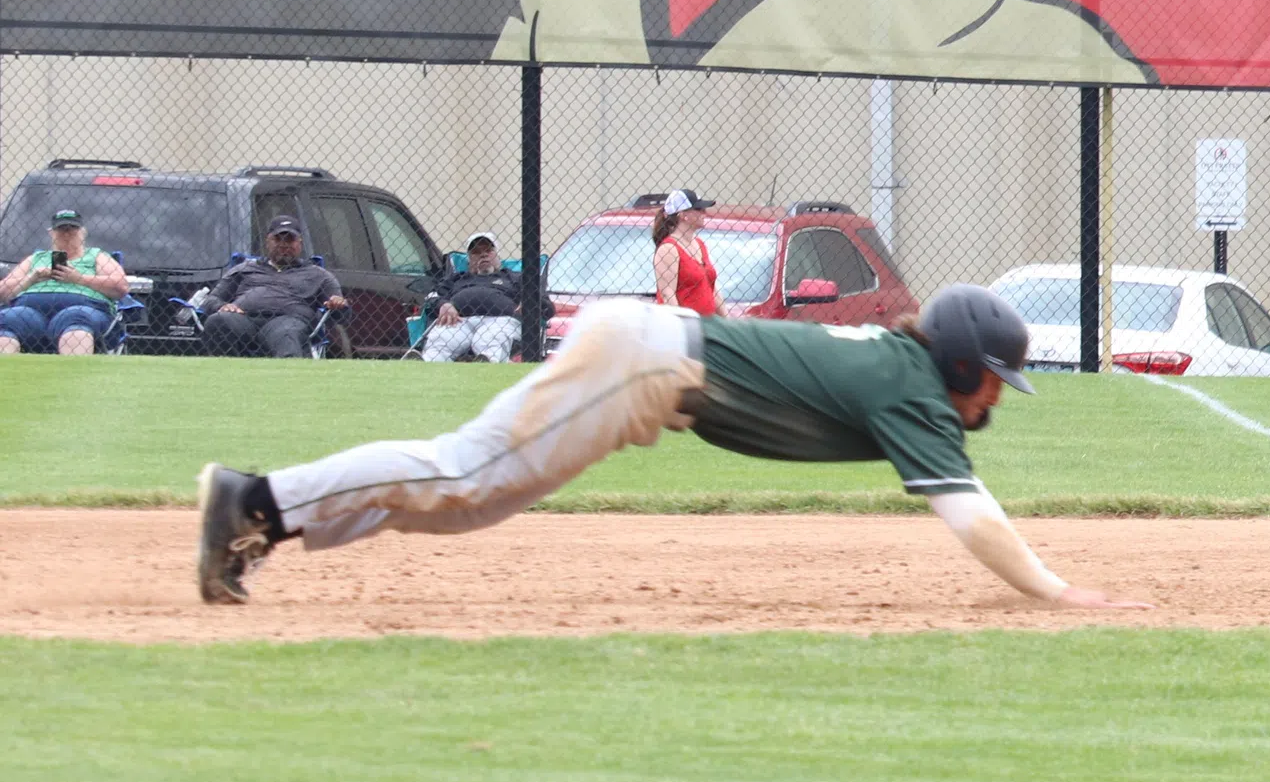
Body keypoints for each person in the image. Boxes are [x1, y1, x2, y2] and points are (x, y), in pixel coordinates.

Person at [196, 285, 1149, 611]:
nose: (996, 397)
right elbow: (969, 514)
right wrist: (1058, 591)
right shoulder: (914, 387)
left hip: (650, 358)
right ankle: (254, 502)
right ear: (956, 362)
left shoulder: (902, 370)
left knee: (473, 495)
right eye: (992, 376)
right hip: (648, 363)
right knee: (465, 474)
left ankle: (263, 521)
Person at [200, 217, 347, 358]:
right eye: (278, 239)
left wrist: (337, 305)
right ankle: (227, 375)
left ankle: (288, 380)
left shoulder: (319, 274)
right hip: (243, 319)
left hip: (287, 321)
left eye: (290, 239)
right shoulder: (244, 268)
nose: (284, 244)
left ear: (300, 243)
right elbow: (210, 300)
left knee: (286, 335)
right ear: (267, 242)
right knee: (218, 321)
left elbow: (341, 314)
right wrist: (223, 306)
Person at [0, 209, 129, 356]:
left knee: (76, 321)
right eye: (61, 230)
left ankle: (73, 375)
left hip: (81, 309)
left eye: (72, 229)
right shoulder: (36, 258)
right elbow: (2, 291)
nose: (67, 235)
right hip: (28, 311)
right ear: (51, 233)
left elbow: (120, 287)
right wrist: (32, 278)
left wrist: (78, 278)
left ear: (83, 232)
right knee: (8, 320)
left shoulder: (96, 256)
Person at [420, 231, 525, 363]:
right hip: (458, 321)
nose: (483, 254)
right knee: (441, 340)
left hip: (500, 320)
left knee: (489, 339)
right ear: (469, 260)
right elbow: (432, 296)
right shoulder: (457, 278)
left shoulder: (513, 277)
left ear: (497, 255)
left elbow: (543, 301)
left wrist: (529, 301)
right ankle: (424, 365)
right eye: (476, 252)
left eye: (488, 250)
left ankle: (488, 364)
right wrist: (443, 304)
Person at [652, 189, 719, 313]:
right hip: (687, 327)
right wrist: (682, 326)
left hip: (707, 325)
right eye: (699, 209)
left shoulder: (699, 244)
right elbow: (668, 295)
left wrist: (727, 322)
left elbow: (713, 290)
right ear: (683, 215)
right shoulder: (668, 249)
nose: (704, 213)